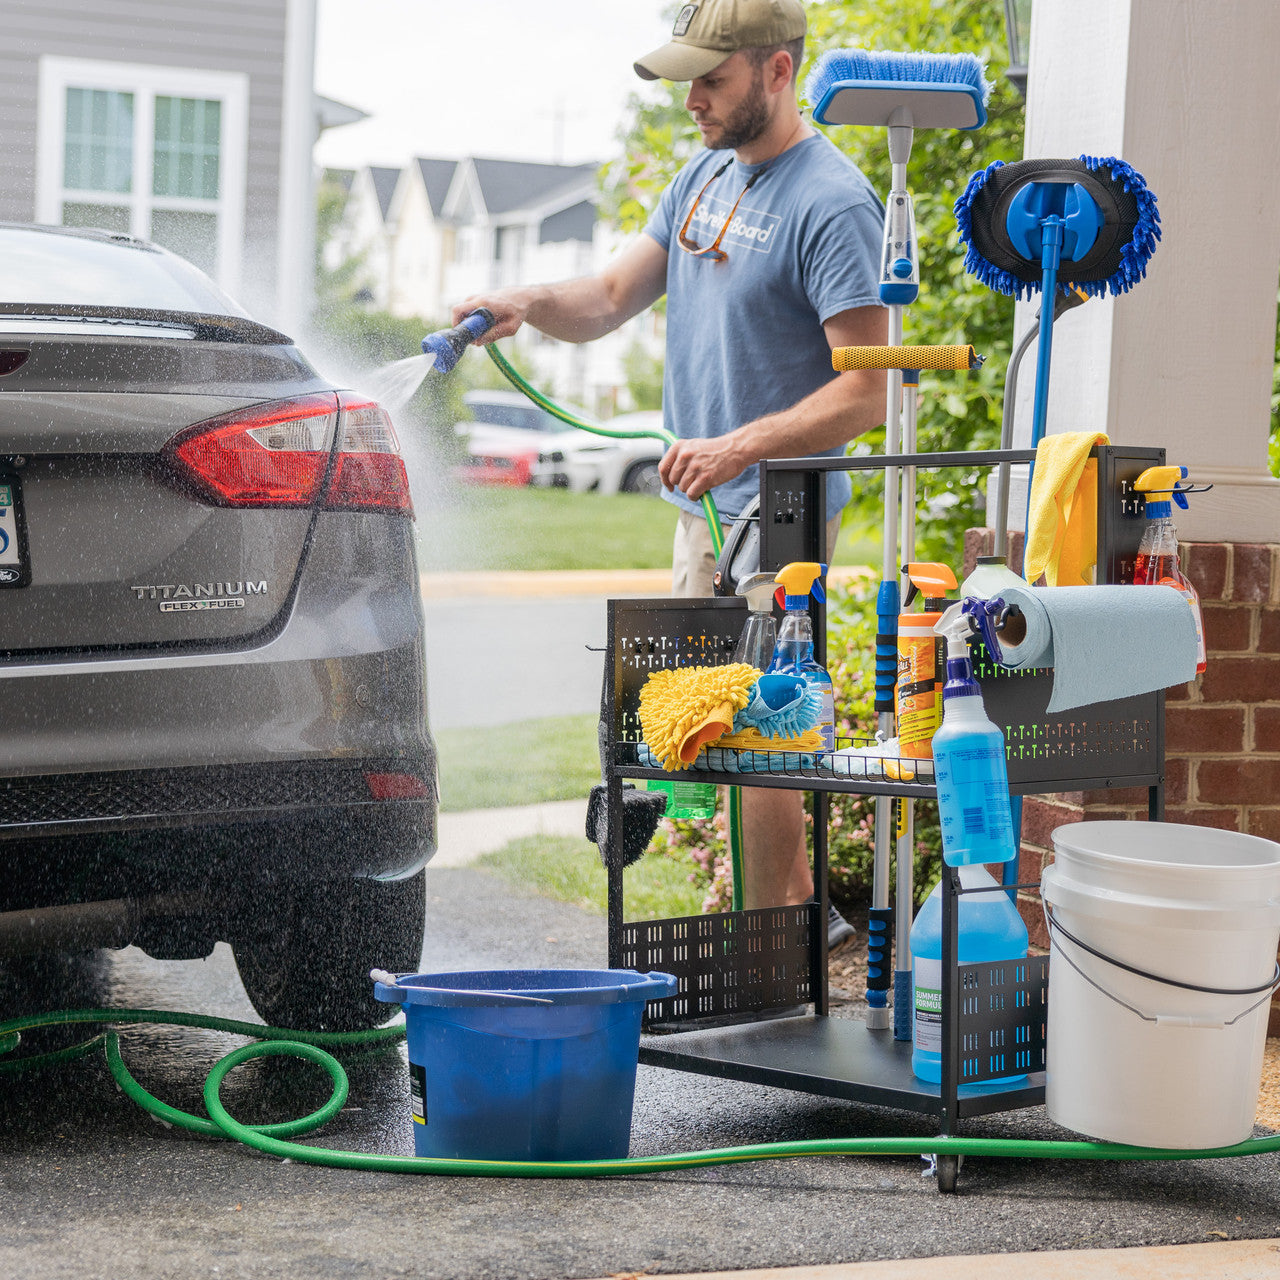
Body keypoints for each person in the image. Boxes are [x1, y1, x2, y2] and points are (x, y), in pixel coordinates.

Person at [453, 0, 888, 947]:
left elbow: (868, 394)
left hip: (784, 507)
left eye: (712, 79)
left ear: (777, 72)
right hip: (707, 506)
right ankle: (793, 928)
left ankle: (779, 935)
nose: (691, 98)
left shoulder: (833, 200)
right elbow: (609, 297)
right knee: (708, 723)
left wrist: (736, 445)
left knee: (760, 726)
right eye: (687, 79)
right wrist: (523, 301)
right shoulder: (700, 178)